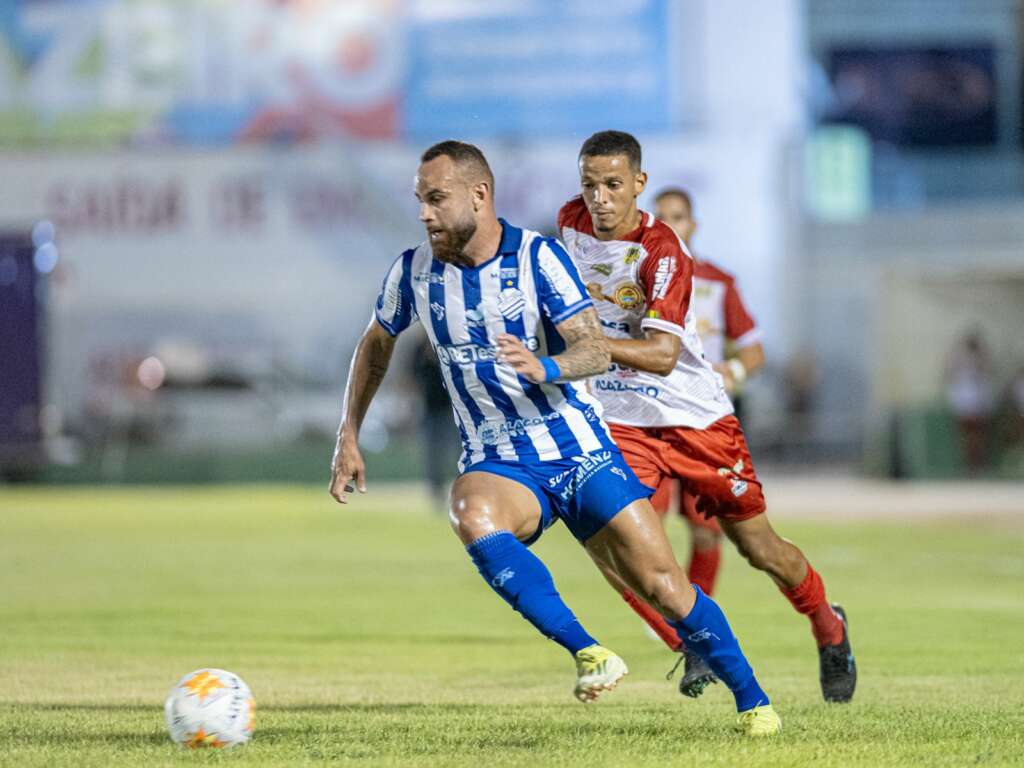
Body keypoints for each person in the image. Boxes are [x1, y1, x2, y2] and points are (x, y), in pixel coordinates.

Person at [329, 140, 781, 736]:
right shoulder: (413, 271)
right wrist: (349, 434)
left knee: (664, 586)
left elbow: (593, 345)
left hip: (581, 451)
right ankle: (590, 652)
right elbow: (376, 343)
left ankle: (753, 701)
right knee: (470, 511)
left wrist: (545, 367)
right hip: (499, 459)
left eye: (436, 200)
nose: (425, 214)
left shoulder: (540, 259)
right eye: (420, 201)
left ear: (479, 195)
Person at [557, 130, 856, 704]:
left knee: (759, 547)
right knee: (609, 540)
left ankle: (829, 626)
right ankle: (692, 638)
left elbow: (666, 357)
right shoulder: (569, 223)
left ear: (637, 187)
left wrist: (580, 349)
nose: (599, 198)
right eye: (590, 184)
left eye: (613, 185)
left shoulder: (667, 253)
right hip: (620, 419)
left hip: (697, 420)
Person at [648, 187, 765, 666]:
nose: (671, 224)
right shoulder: (637, 279)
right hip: (649, 422)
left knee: (706, 532)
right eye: (661, 217)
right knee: (643, 526)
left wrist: (732, 372)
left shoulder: (717, 282)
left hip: (701, 425)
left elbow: (753, 348)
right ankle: (667, 614)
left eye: (678, 216)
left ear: (693, 223)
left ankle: (696, 617)